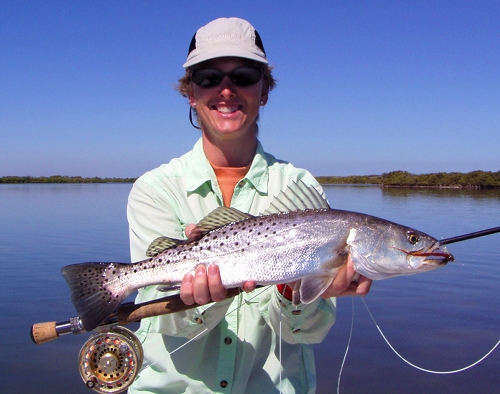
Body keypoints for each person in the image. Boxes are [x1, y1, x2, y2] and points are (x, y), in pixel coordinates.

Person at [127, 17, 372, 393]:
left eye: (243, 76)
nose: (226, 90)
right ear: (190, 93)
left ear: (264, 91)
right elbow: (158, 321)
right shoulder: (155, 188)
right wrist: (200, 303)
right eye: (208, 78)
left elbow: (309, 332)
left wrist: (295, 293)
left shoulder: (300, 186)